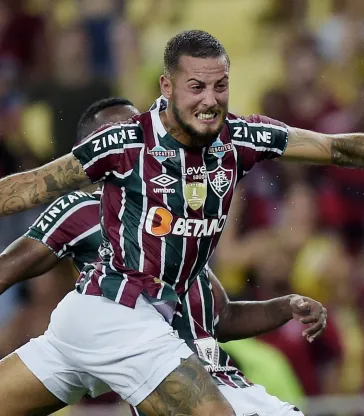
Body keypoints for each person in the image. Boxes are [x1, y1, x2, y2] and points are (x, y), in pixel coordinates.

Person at [0, 29, 364, 416]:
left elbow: (333, 147)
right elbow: (27, 187)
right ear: (166, 86)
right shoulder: (124, 143)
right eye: (196, 88)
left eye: (220, 86)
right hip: (116, 311)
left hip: (140, 319)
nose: (210, 100)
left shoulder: (239, 138)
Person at [0, 96, 327, 415]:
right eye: (119, 134)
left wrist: (282, 307)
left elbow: (221, 317)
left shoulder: (178, 218)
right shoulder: (82, 210)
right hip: (119, 345)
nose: (135, 140)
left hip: (207, 378)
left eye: (138, 130)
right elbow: (8, 269)